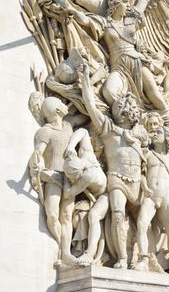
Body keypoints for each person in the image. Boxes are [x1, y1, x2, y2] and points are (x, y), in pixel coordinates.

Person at [63, 0, 168, 111]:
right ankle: (128, 114)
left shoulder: (131, 20)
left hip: (137, 62)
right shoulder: (106, 24)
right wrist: (71, 9)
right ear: (115, 4)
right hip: (118, 67)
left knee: (155, 94)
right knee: (108, 92)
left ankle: (166, 120)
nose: (128, 5)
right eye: (125, 2)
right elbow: (86, 20)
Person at [80, 64, 148, 269]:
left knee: (143, 221)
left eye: (128, 109)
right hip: (116, 178)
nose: (125, 111)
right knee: (118, 213)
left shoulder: (140, 134)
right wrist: (85, 80)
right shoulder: (108, 128)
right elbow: (90, 104)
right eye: (121, 108)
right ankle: (122, 259)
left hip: (140, 183)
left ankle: (145, 257)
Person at [29, 96, 87, 265]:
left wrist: (76, 95)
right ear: (56, 111)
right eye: (62, 103)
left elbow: (84, 116)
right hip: (53, 176)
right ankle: (63, 249)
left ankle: (66, 253)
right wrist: (35, 166)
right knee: (53, 214)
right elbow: (38, 152)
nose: (64, 104)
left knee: (66, 215)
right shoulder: (45, 131)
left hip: (69, 177)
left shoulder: (69, 125)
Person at [135, 126, 169, 276]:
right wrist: (145, 188)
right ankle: (143, 259)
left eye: (158, 133)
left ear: (167, 138)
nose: (154, 134)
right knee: (141, 224)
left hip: (165, 197)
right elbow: (142, 174)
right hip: (150, 196)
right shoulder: (148, 154)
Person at [62, 127, 109, 266]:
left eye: (73, 178)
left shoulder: (86, 177)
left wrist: (65, 181)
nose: (72, 180)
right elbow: (83, 131)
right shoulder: (86, 155)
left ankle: (89, 253)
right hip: (90, 196)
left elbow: (67, 193)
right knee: (79, 217)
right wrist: (71, 146)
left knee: (93, 216)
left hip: (104, 196)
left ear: (79, 174)